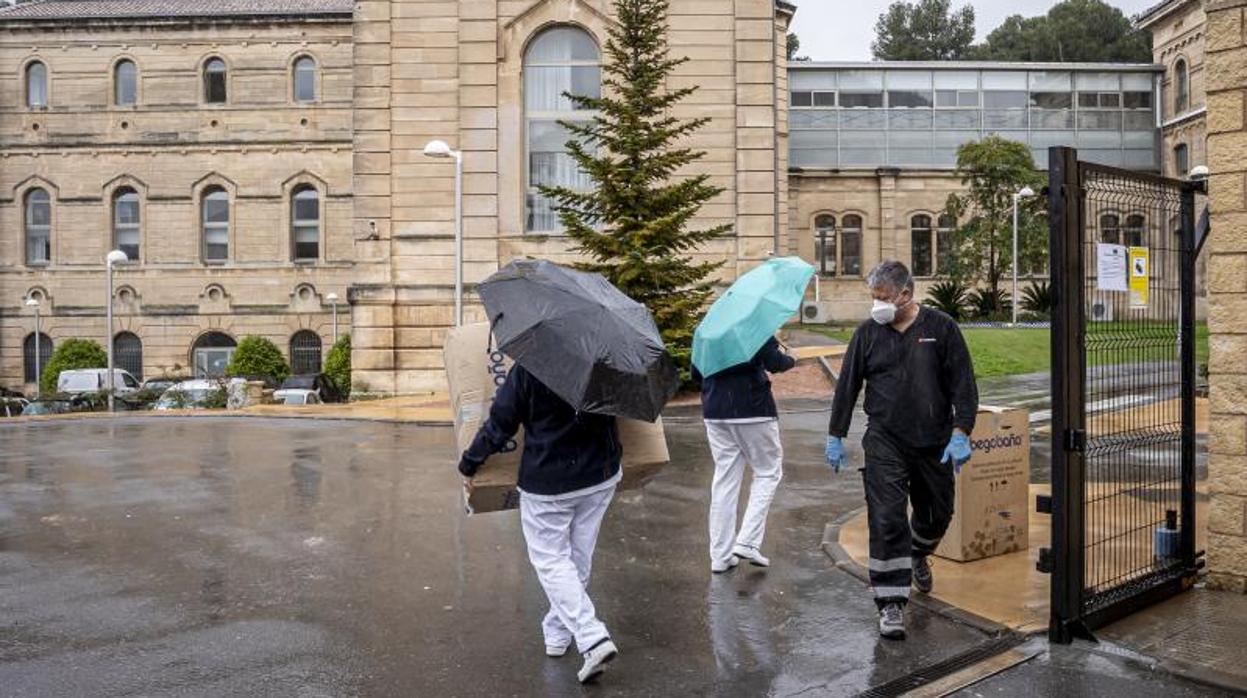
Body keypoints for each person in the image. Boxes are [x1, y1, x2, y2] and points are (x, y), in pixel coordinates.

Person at [824, 261, 978, 640]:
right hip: (885, 440)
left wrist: (961, 431)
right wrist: (835, 434)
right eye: (873, 298)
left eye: (882, 298)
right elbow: (848, 385)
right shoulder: (867, 333)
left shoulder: (941, 328)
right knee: (887, 518)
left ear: (905, 295)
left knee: (937, 514)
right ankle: (891, 602)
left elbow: (963, 383)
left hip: (934, 441)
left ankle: (917, 554)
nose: (876, 305)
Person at [458, 363, 621, 684]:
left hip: (550, 481)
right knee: (577, 557)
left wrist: (470, 462)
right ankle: (557, 633)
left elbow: (500, 424)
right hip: (601, 473)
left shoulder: (531, 366)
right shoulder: (604, 358)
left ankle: (592, 637)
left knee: (552, 561)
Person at [695, 337, 796, 573]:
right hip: (752, 408)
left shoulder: (706, 333)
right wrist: (792, 358)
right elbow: (775, 362)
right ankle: (747, 542)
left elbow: (696, 373)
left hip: (715, 409)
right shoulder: (753, 327)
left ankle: (720, 556)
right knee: (768, 472)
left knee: (725, 479)